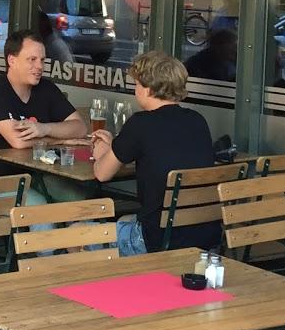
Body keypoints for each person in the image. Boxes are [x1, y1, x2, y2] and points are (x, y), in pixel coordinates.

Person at [91, 51, 219, 257]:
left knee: (76, 233)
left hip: (157, 240)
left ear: (148, 90)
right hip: (203, 237)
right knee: (125, 221)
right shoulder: (197, 120)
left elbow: (102, 174)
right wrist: (115, 146)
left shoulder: (140, 123)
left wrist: (102, 152)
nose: (135, 89)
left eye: (137, 84)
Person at [0, 30, 87, 179]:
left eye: (42, 60)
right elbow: (19, 141)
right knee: (51, 200)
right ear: (12, 60)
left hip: (34, 176)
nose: (39, 66)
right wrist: (59, 139)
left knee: (78, 196)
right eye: (32, 59)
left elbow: (80, 128)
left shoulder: (46, 88)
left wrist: (44, 128)